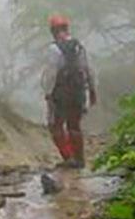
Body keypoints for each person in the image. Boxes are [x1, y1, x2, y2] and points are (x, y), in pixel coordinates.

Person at [41, 14, 97, 169]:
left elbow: (51, 73)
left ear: (52, 31)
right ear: (67, 28)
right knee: (74, 126)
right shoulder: (79, 46)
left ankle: (68, 157)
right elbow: (88, 69)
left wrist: (48, 93)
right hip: (78, 90)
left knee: (55, 126)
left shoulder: (54, 49)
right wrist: (92, 90)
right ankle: (80, 160)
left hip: (60, 92)